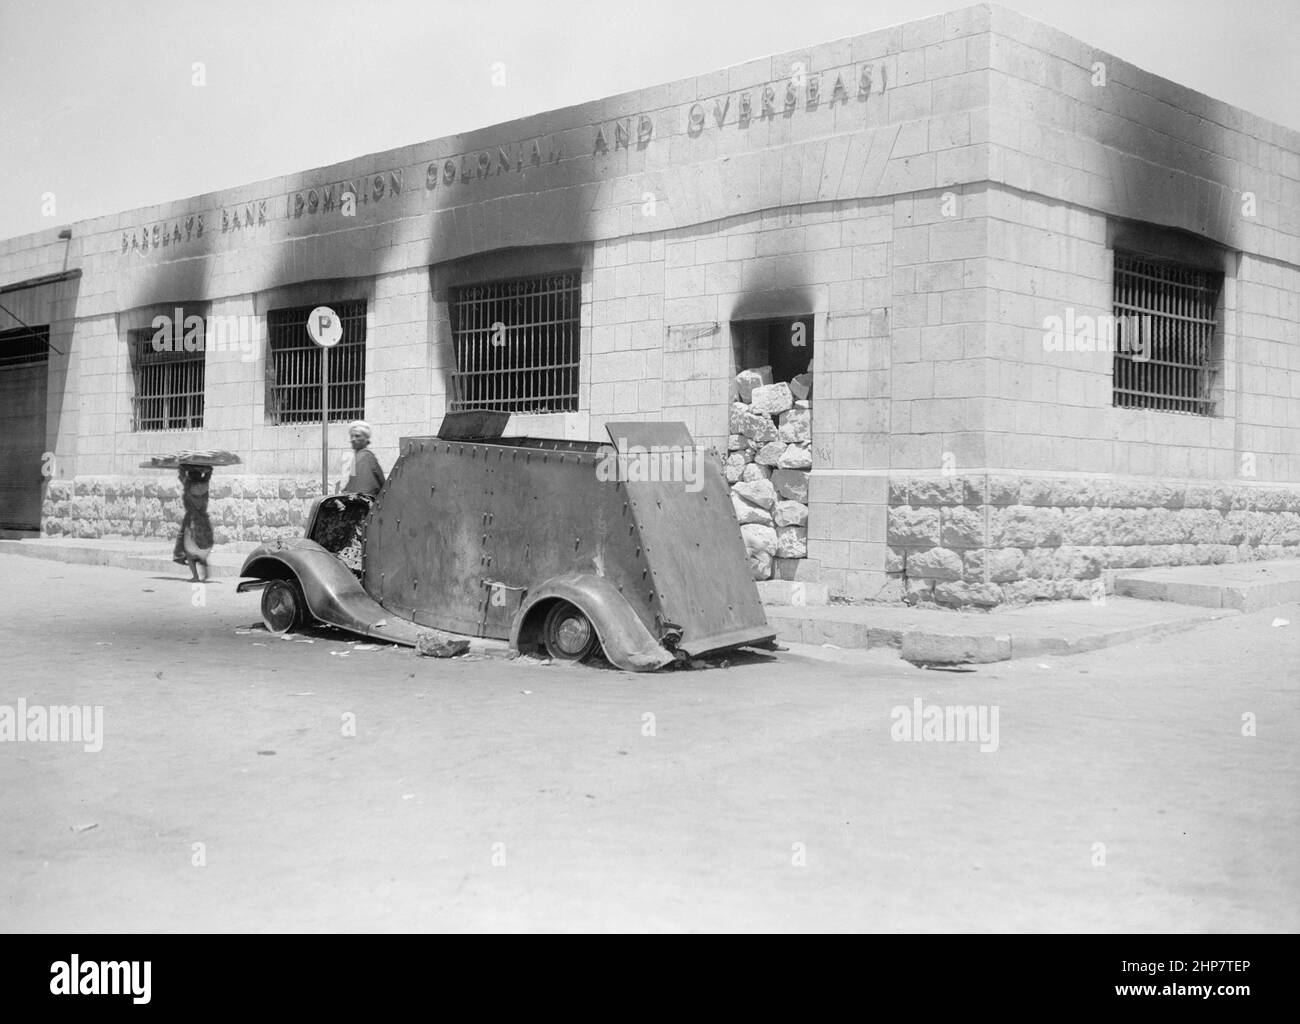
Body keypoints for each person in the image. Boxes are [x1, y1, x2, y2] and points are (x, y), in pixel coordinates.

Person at [342, 420, 386, 496]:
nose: (353, 439)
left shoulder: (367, 456)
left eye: (357, 436)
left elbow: (381, 481)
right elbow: (351, 481)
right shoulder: (354, 458)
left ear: (366, 439)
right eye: (352, 436)